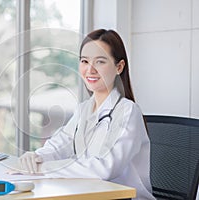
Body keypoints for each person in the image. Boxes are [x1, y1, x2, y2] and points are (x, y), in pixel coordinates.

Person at [19, 29, 155, 199]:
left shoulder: (128, 111)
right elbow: (60, 145)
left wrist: (46, 168)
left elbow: (105, 167)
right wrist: (37, 158)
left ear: (119, 67)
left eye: (100, 62)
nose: (90, 69)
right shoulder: (84, 110)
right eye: (84, 61)